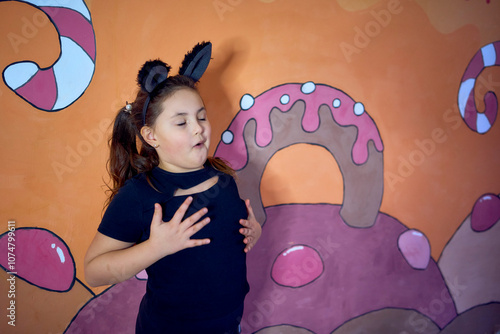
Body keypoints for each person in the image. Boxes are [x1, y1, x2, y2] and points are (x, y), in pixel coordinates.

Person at [84, 42, 261, 334]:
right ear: (151, 136)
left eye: (201, 117)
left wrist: (256, 230)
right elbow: (94, 270)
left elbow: (231, 236)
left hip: (230, 323)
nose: (198, 128)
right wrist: (156, 247)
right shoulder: (141, 194)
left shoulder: (224, 178)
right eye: (181, 122)